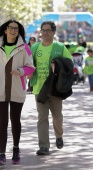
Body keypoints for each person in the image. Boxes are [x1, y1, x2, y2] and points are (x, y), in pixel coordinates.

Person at [0, 19, 35, 166]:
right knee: (2, 122)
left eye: (16, 28)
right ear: (5, 30)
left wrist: (21, 71)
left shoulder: (24, 48)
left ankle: (16, 149)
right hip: (0, 88)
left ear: (18, 31)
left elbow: (30, 68)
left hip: (16, 87)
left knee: (15, 120)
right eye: (11, 28)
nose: (13, 31)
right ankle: (1, 154)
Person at [28, 21, 73, 155]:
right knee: (42, 117)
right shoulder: (35, 47)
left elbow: (70, 64)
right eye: (43, 30)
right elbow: (28, 63)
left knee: (57, 116)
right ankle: (43, 146)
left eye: (48, 30)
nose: (45, 33)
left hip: (55, 89)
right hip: (39, 88)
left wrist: (58, 64)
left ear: (53, 32)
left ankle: (59, 136)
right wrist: (28, 72)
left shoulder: (60, 47)